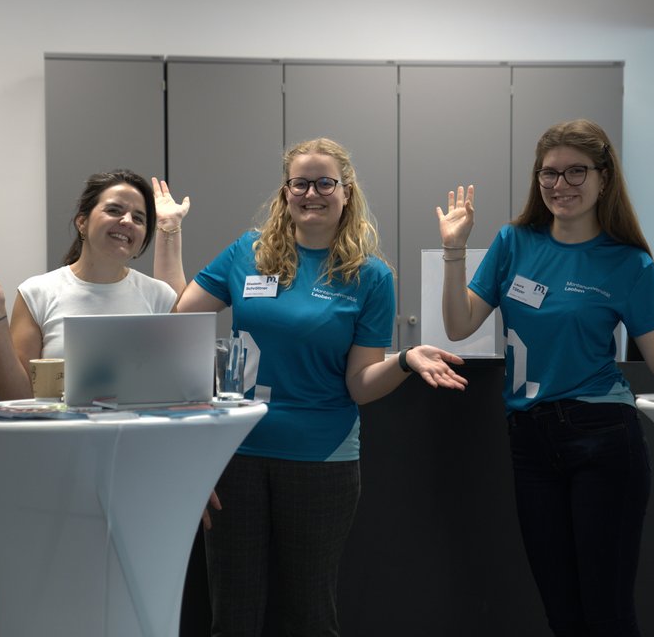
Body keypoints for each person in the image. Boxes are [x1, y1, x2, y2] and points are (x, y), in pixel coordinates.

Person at [436, 118, 654, 636]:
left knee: (606, 614)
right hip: (530, 441)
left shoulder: (628, 262)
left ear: (604, 178)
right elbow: (458, 324)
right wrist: (454, 248)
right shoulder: (514, 243)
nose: (560, 186)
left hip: (602, 438)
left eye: (576, 172)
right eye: (549, 174)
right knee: (563, 613)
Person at [176, 137, 469, 636]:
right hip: (235, 455)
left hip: (322, 460)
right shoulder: (246, 254)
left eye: (325, 182)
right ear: (285, 192)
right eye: (300, 183)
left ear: (346, 191)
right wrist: (167, 236)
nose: (312, 192)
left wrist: (404, 360)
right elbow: (179, 324)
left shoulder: (370, 276)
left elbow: (359, 384)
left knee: (309, 615)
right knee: (233, 614)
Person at [0, 169, 190, 400]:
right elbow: (15, 397)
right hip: (60, 440)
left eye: (139, 218)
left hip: (140, 439)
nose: (127, 221)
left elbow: (177, 388)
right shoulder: (37, 293)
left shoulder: (160, 297)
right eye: (114, 210)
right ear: (82, 222)